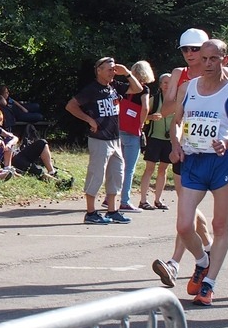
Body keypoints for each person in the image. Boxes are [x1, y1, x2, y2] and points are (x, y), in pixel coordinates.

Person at [151, 28, 228, 289]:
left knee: (218, 223)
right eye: (189, 51)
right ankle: (202, 256)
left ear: (222, 59)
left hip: (220, 161)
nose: (202, 60)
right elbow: (173, 117)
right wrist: (175, 142)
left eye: (211, 58)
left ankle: (197, 274)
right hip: (192, 158)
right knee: (185, 221)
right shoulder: (184, 82)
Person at [65, 56, 142, 225]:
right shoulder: (92, 89)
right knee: (96, 175)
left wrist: (127, 73)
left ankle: (112, 211)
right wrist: (89, 119)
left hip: (115, 138)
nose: (112, 73)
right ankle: (91, 213)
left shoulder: (114, 87)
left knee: (116, 174)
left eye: (114, 69)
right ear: (98, 70)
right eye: (109, 69)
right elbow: (71, 105)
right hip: (99, 139)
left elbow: (138, 89)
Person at [118, 60, 155, 212]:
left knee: (116, 166)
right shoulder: (144, 89)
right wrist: (141, 123)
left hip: (118, 128)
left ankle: (109, 197)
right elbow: (145, 108)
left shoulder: (125, 88)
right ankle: (124, 200)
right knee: (129, 169)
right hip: (132, 131)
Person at [138, 73, 173, 210]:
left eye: (170, 83)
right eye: (165, 82)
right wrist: (151, 117)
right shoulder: (155, 99)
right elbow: (143, 115)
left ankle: (158, 200)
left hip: (170, 140)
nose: (167, 85)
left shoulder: (177, 100)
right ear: (160, 85)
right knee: (149, 169)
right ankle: (143, 200)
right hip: (154, 138)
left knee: (163, 170)